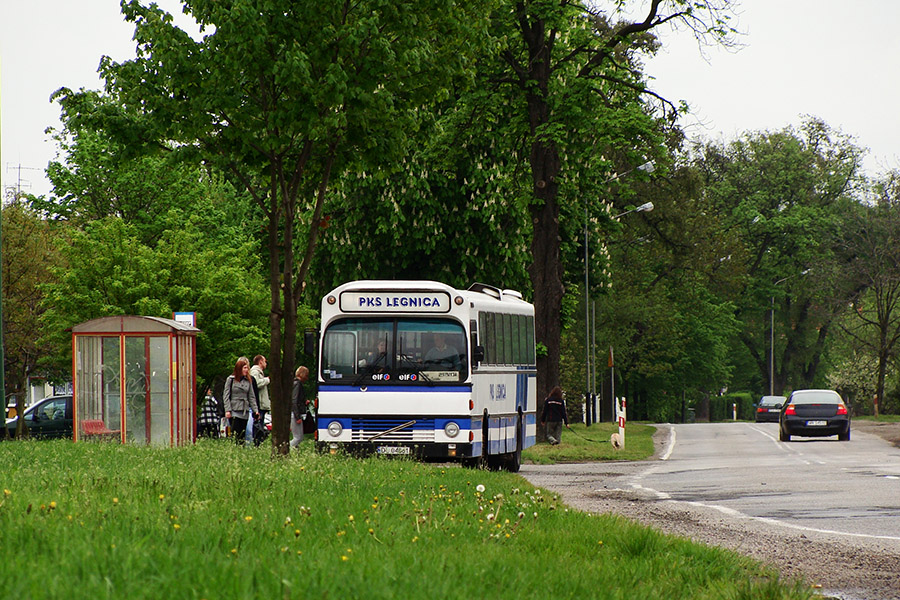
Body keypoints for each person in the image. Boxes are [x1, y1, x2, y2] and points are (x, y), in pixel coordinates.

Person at [224, 357, 259, 446]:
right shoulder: (231, 380)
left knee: (243, 434)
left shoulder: (248, 381)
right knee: (235, 433)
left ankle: (241, 449)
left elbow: (251, 396)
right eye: (244, 368)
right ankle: (234, 449)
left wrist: (255, 411)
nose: (247, 370)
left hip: (244, 410)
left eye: (247, 368)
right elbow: (226, 395)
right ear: (239, 368)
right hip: (234, 409)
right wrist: (227, 410)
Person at [250, 355, 271, 446]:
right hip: (259, 404)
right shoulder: (255, 372)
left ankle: (259, 443)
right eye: (265, 361)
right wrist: (268, 380)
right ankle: (257, 443)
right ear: (260, 362)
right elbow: (257, 384)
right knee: (258, 426)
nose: (266, 363)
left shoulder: (259, 372)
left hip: (261, 403)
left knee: (260, 425)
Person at [291, 366, 310, 448]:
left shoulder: (294, 383)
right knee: (298, 437)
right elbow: (294, 401)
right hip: (295, 414)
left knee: (299, 437)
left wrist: (304, 402)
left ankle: (295, 452)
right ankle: (286, 448)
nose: (307, 378)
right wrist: (297, 416)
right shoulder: (297, 384)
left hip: (295, 413)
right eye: (306, 375)